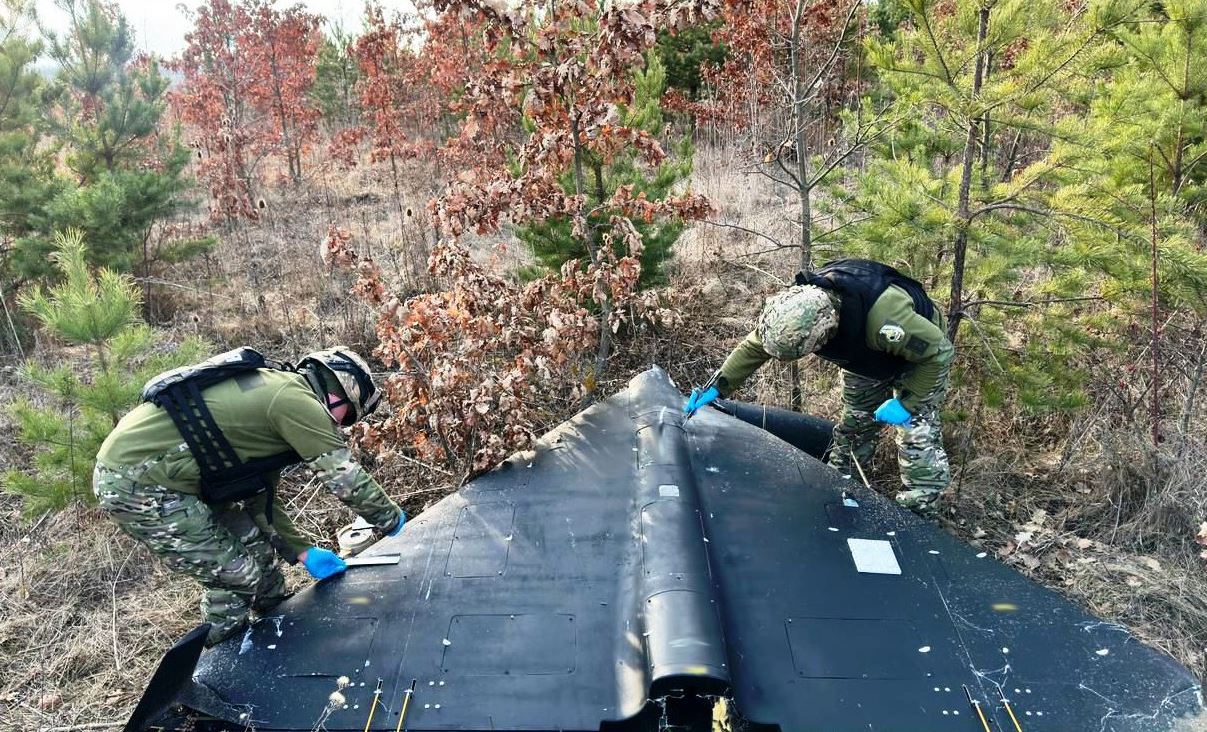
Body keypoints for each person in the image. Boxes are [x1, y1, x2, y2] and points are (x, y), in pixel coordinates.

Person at [93, 346, 405, 646]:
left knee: (257, 548)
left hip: (172, 474)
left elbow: (262, 498)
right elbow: (343, 477)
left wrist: (303, 551)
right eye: (348, 416)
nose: (341, 424)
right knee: (236, 574)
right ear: (339, 392)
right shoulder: (295, 401)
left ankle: (277, 625)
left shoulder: (278, 396)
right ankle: (220, 661)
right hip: (136, 480)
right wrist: (393, 522)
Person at [684, 259, 954, 516]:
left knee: (917, 433)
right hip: (867, 359)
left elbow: (938, 353)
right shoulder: (792, 313)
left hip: (920, 361)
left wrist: (907, 402)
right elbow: (755, 347)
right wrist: (718, 387)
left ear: (825, 333)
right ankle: (840, 489)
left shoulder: (886, 321)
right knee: (855, 425)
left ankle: (919, 512)